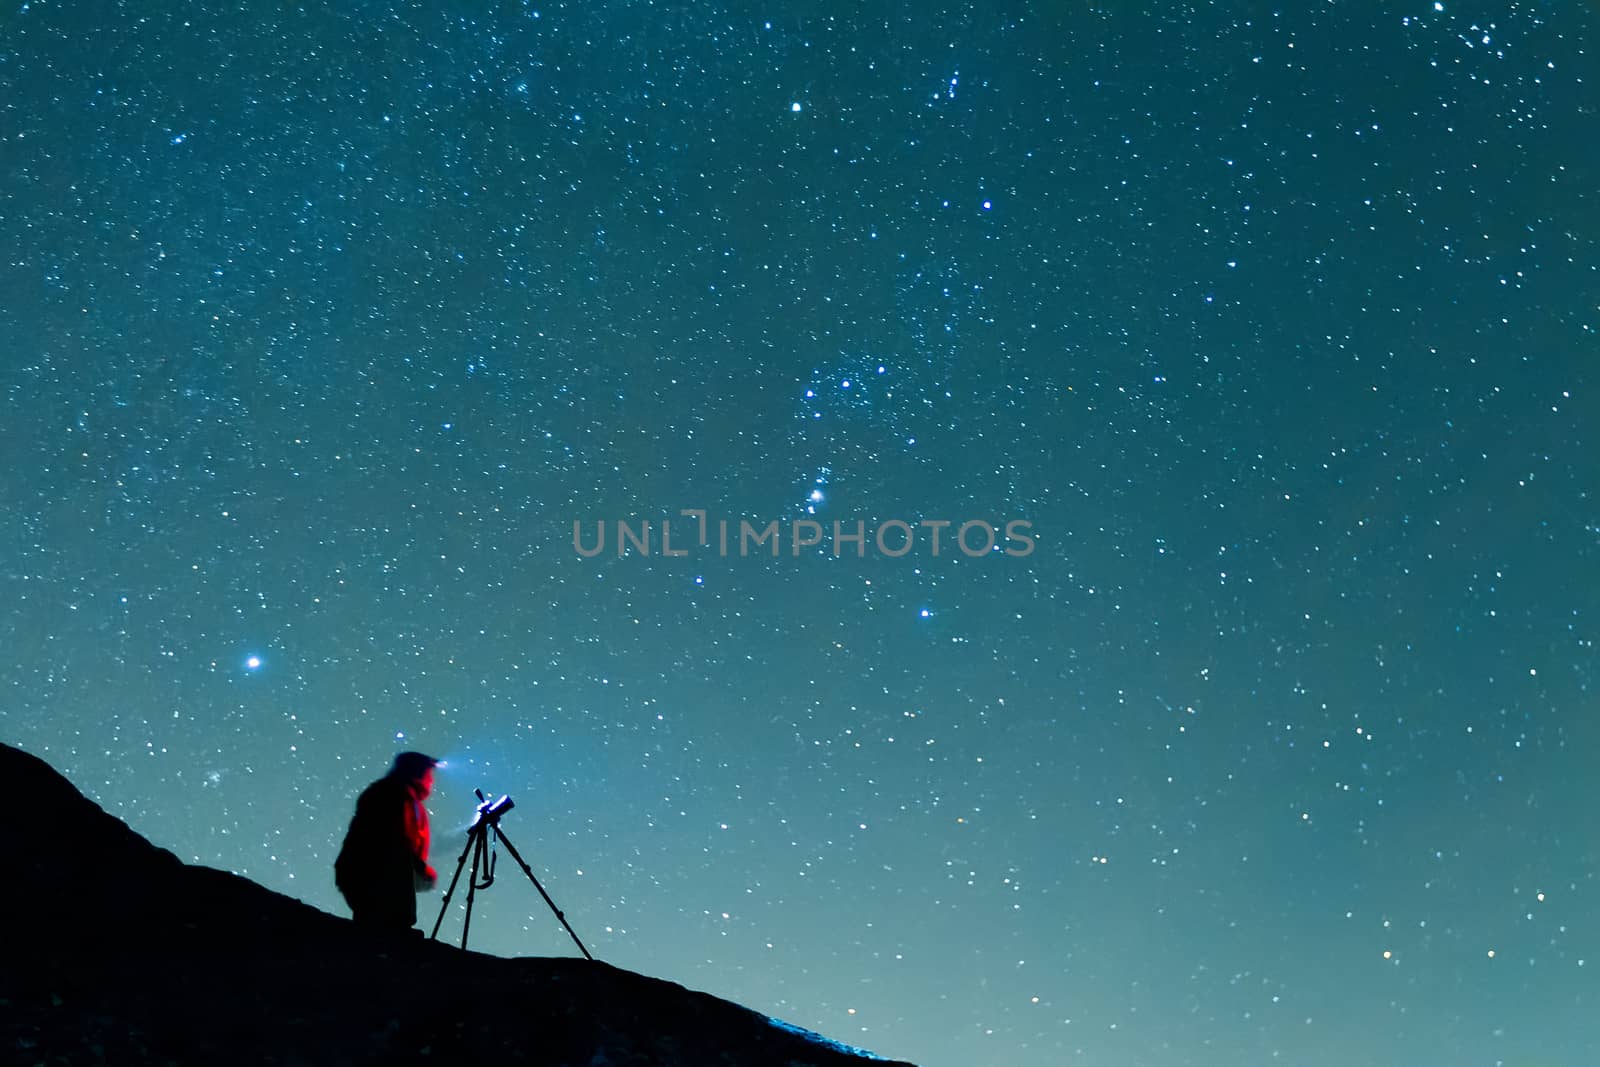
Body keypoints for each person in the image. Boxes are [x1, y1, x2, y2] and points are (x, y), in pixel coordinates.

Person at [335, 751, 439, 930]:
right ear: (418, 772)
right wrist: (420, 868)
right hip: (369, 875)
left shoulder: (402, 797)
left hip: (365, 875)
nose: (432, 780)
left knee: (377, 922)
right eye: (429, 774)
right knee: (382, 925)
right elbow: (393, 840)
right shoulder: (393, 793)